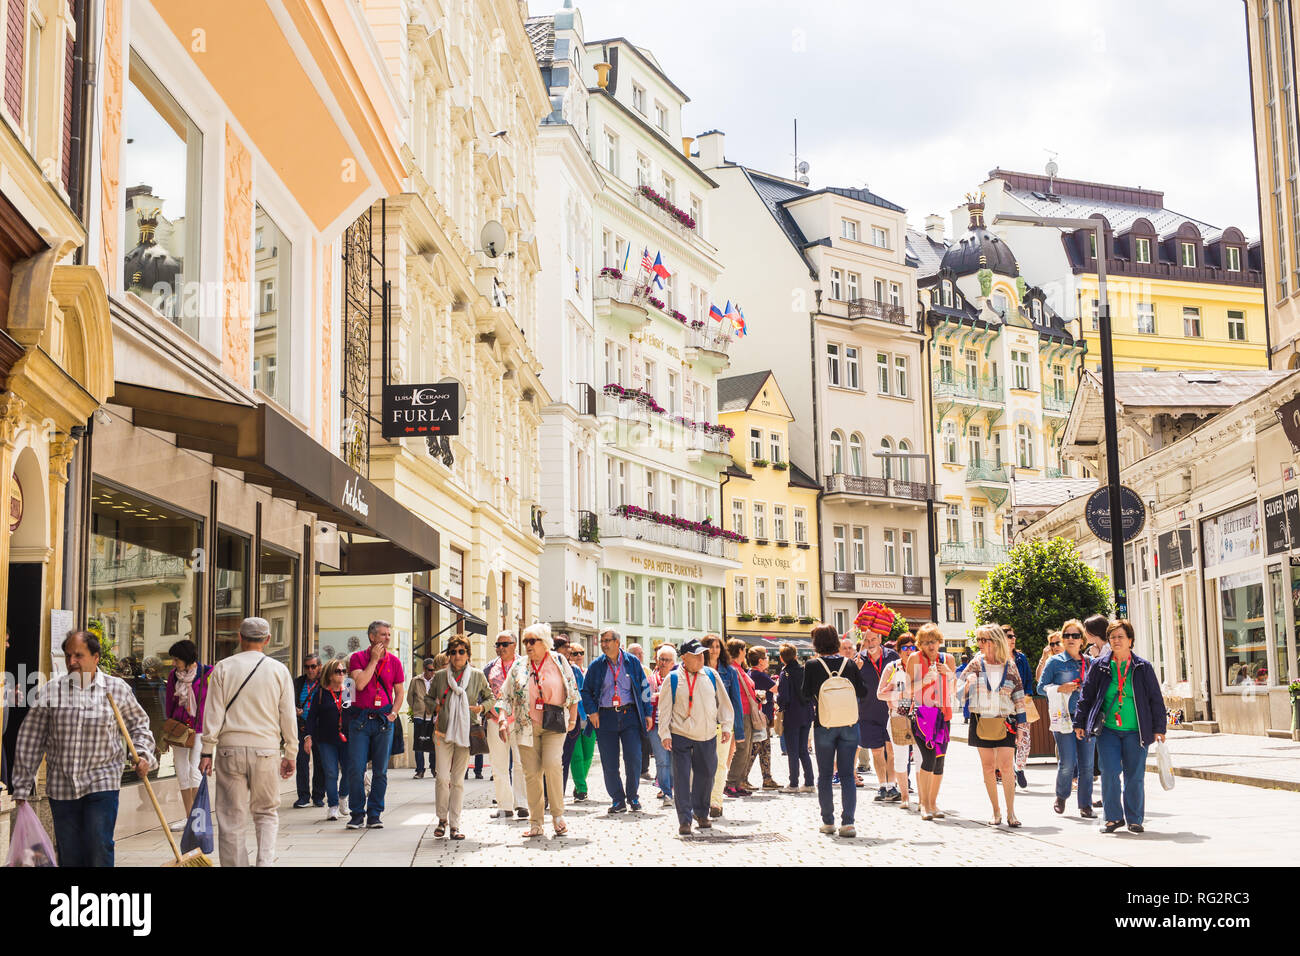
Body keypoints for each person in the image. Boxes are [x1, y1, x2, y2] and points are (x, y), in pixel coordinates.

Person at [12, 630, 156, 867]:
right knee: (70, 853)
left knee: (99, 845)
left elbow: (139, 725)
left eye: (78, 655)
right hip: (62, 786)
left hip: (102, 781)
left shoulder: (116, 689)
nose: (71, 662)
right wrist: (21, 784)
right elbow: (31, 738)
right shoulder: (52, 691)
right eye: (68, 656)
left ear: (96, 657)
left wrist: (142, 754)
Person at [199, 617, 297, 866]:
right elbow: (287, 715)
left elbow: (213, 712)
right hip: (265, 749)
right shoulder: (278, 670)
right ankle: (264, 862)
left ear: (239, 638)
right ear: (267, 640)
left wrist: (207, 750)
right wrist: (291, 753)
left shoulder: (222, 667)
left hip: (229, 749)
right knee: (266, 812)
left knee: (231, 817)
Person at [1074, 619, 1167, 834]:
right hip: (1108, 731)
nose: (1116, 641)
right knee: (1109, 772)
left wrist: (1159, 728)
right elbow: (1086, 696)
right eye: (1112, 637)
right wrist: (1080, 722)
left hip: (1137, 731)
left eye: (1120, 637)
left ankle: (1134, 819)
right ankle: (1113, 818)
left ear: (1130, 640)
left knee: (1134, 775)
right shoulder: (1100, 666)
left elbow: (1155, 699)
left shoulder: (1143, 667)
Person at [497, 623, 579, 838]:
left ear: (545, 642)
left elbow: (573, 690)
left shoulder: (559, 661)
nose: (528, 645)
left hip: (554, 723)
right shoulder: (519, 666)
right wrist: (504, 719)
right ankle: (536, 822)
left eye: (533, 641)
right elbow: (505, 696)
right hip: (526, 726)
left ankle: (558, 815)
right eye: (526, 641)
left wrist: (573, 717)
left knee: (552, 764)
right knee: (531, 774)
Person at [658, 638, 734, 835]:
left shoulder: (711, 674)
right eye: (697, 655)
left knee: (707, 774)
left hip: (707, 734)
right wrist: (664, 733)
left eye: (703, 654)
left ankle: (701, 813)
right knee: (682, 777)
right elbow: (664, 709)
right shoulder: (673, 679)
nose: (702, 658)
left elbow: (724, 702)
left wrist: (727, 726)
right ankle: (685, 819)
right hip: (680, 734)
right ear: (684, 657)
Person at [958, 624, 1027, 828]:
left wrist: (1022, 726)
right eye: (978, 640)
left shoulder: (1010, 664)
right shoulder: (975, 663)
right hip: (981, 720)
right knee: (988, 768)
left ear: (995, 641)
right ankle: (996, 811)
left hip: (1006, 720)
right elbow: (958, 691)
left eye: (984, 640)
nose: (981, 644)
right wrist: (968, 684)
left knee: (1006, 767)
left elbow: (1019, 694)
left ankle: (1011, 812)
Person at [801, 623, 867, 837]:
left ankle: (828, 822)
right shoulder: (849, 664)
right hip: (849, 723)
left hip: (824, 725)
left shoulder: (811, 665)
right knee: (848, 774)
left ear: (816, 643)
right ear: (836, 642)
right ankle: (848, 823)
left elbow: (804, 695)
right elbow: (863, 692)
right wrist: (856, 671)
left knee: (825, 774)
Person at [580, 628, 652, 813]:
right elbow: (585, 690)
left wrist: (647, 713)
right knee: (609, 761)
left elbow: (644, 688)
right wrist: (591, 712)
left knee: (633, 758)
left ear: (618, 642)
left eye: (607, 640)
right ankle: (617, 800)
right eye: (602, 640)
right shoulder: (597, 665)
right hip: (605, 716)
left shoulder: (632, 662)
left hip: (630, 715)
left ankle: (633, 797)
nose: (603, 644)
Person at [429, 636, 493, 839]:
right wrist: (436, 706)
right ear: (449, 654)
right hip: (442, 731)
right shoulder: (440, 676)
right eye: (453, 652)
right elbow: (428, 698)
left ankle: (455, 824)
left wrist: (482, 707)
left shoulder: (476, 675)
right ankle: (441, 820)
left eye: (461, 651)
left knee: (457, 780)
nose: (457, 656)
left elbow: (491, 697)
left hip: (466, 733)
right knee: (442, 777)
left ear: (468, 654)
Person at [345, 620, 405, 830]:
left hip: (382, 721)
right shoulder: (357, 658)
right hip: (360, 721)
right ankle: (356, 814)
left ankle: (374, 814)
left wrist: (394, 713)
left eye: (389, 634)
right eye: (383, 634)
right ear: (372, 637)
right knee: (356, 769)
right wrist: (373, 660)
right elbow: (359, 684)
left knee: (380, 771)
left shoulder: (395, 662)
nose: (387, 638)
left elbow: (399, 692)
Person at [1038, 620, 1094, 818]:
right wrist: (1060, 689)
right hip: (1063, 718)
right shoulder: (1055, 662)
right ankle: (1061, 795)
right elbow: (1040, 687)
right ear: (1062, 638)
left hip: (1086, 719)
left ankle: (1085, 805)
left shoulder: (1090, 663)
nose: (1071, 639)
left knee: (1087, 765)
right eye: (1067, 635)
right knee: (1068, 762)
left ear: (1082, 640)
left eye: (1075, 636)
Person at [907, 623, 955, 822]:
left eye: (934, 641)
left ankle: (933, 803)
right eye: (926, 643)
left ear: (939, 642)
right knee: (928, 758)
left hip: (943, 715)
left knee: (940, 761)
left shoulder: (948, 659)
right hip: (921, 716)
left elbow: (954, 690)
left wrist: (949, 675)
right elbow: (906, 689)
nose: (931, 646)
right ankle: (924, 804)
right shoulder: (914, 659)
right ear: (920, 644)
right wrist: (924, 681)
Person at [163, 639, 212, 830]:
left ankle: (198, 818)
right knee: (182, 771)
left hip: (200, 728)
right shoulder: (173, 677)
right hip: (179, 729)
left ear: (186, 657)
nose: (174, 663)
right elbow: (169, 704)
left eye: (176, 659)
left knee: (195, 771)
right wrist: (168, 731)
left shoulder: (208, 673)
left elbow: (215, 701)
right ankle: (188, 816)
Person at [483, 631, 528, 818]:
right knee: (499, 764)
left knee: (521, 762)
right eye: (498, 645)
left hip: (520, 720)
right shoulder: (490, 667)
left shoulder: (525, 665)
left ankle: (522, 804)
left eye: (505, 644)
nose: (500, 648)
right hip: (495, 719)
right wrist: (486, 710)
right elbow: (483, 691)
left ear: (515, 645)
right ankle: (505, 805)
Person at [855, 629, 900, 802]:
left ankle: (892, 786)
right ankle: (882, 786)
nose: (871, 643)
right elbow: (853, 686)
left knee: (892, 751)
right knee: (876, 751)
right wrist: (855, 671)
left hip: (891, 710)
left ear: (880, 638)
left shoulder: (892, 656)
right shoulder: (859, 660)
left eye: (874, 639)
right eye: (867, 640)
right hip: (868, 712)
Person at [304, 658, 351, 820]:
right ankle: (332, 806)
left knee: (348, 771)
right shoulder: (321, 693)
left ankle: (343, 796)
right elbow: (311, 717)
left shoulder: (348, 691)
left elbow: (355, 714)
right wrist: (308, 737)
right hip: (325, 739)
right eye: (338, 671)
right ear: (330, 675)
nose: (342, 674)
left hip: (347, 739)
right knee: (330, 772)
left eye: (343, 671)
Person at [702, 634, 743, 816]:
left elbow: (735, 702)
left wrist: (738, 729)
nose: (714, 650)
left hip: (722, 723)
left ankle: (716, 802)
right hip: (701, 724)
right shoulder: (698, 670)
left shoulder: (729, 671)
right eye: (711, 646)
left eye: (718, 646)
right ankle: (703, 799)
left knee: (720, 765)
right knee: (703, 765)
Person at [876, 633, 916, 809]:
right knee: (901, 757)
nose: (909, 651)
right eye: (905, 648)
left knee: (922, 758)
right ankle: (905, 796)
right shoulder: (892, 668)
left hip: (920, 716)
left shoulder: (922, 667)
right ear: (899, 651)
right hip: (898, 715)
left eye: (912, 647)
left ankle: (924, 798)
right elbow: (879, 694)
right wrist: (900, 695)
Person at [724, 638, 763, 796]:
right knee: (742, 749)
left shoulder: (739, 668)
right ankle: (731, 783)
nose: (745, 653)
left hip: (747, 711)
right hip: (742, 713)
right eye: (744, 650)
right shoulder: (732, 669)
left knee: (746, 750)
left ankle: (738, 782)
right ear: (739, 651)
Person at [558, 641, 595, 800]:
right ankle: (581, 788)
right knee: (577, 755)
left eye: (581, 653)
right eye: (575, 653)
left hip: (590, 717)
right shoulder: (570, 671)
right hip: (574, 718)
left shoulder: (588, 671)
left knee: (589, 755)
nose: (579, 656)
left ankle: (580, 782)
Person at [776, 643, 814, 792]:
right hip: (806, 713)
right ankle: (810, 782)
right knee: (803, 749)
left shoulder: (785, 673)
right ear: (795, 655)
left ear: (781, 658)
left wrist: (779, 703)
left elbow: (783, 696)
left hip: (792, 715)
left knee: (792, 751)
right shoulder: (803, 670)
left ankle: (793, 783)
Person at [292, 653, 325, 808]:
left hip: (319, 727)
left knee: (320, 762)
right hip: (302, 726)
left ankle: (318, 795)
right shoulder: (298, 683)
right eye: (307, 667)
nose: (310, 670)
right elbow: (288, 700)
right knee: (301, 761)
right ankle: (303, 796)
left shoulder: (324, 683)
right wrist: (294, 709)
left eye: (313, 666)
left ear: (319, 667)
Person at [744, 647, 780, 790]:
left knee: (764, 748)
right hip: (761, 716)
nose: (767, 660)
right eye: (766, 658)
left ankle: (767, 778)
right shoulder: (759, 675)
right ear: (760, 661)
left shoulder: (750, 673)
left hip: (759, 715)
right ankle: (743, 777)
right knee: (756, 747)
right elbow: (776, 689)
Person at [646, 644, 677, 803]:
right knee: (662, 760)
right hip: (656, 725)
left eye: (667, 660)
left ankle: (671, 788)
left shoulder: (678, 678)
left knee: (673, 760)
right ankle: (666, 792)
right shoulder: (651, 679)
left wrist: (660, 695)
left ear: (673, 663)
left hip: (675, 725)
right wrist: (662, 695)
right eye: (661, 659)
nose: (663, 662)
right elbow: (646, 698)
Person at [1004, 625, 1033, 789]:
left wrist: (1027, 695)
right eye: (1009, 636)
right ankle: (1009, 773)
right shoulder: (997, 657)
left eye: (1014, 636)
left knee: (1024, 740)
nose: (1013, 639)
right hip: (1004, 706)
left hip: (1022, 703)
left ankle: (1019, 767)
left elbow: (1028, 679)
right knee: (1006, 741)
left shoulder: (1021, 658)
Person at [408, 657, 436, 780]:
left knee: (433, 744)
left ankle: (434, 769)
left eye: (434, 670)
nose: (432, 672)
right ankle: (420, 770)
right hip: (419, 715)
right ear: (424, 669)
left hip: (433, 716)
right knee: (418, 744)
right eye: (430, 670)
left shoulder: (436, 680)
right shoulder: (416, 680)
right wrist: (416, 708)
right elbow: (410, 697)